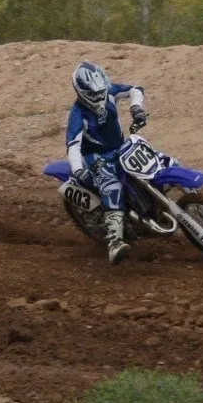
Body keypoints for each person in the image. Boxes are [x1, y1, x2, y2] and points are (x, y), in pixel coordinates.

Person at [66, 61, 148, 264]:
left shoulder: (109, 91)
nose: (98, 97)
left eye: (100, 91)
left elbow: (135, 89)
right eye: (93, 94)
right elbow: (73, 145)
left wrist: (136, 108)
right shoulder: (78, 114)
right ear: (81, 92)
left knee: (150, 158)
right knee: (111, 186)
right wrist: (78, 171)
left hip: (120, 147)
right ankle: (114, 243)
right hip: (96, 157)